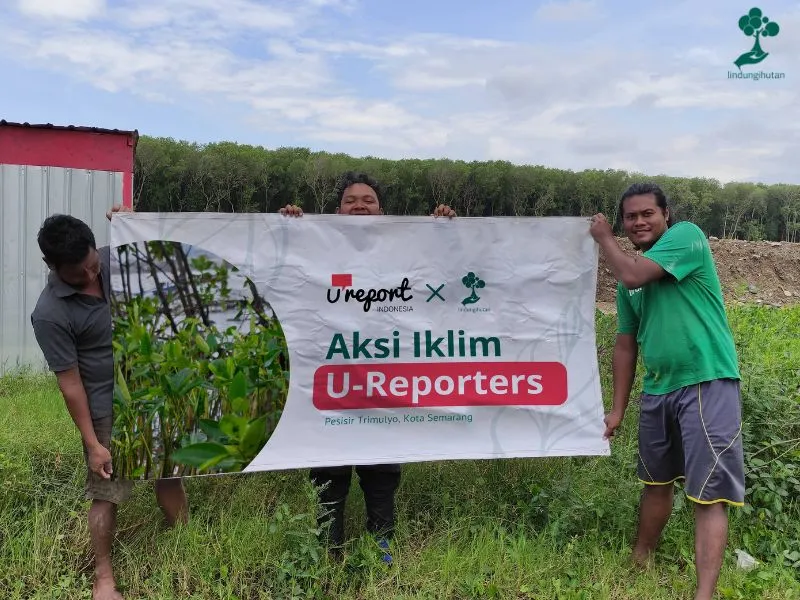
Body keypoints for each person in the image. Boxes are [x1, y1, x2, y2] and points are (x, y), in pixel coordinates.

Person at [279, 171, 456, 563]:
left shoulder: (403, 250)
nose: (359, 205)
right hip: (330, 377)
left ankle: (382, 544)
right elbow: (284, 273)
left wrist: (441, 229)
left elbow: (438, 271)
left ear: (382, 208)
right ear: (337, 209)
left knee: (382, 467)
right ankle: (329, 548)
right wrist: (288, 228)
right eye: (350, 200)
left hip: (384, 377)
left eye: (368, 200)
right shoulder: (316, 249)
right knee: (330, 469)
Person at [589, 183, 744, 600]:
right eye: (630, 217)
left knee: (709, 492)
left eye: (647, 214)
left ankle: (703, 594)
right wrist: (618, 409)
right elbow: (626, 343)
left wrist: (603, 238)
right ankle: (640, 561)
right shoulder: (630, 279)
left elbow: (633, 271)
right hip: (658, 390)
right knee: (655, 481)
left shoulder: (686, 237)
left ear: (666, 215)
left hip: (706, 382)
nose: (639, 222)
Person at [31, 207, 189, 600]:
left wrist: (139, 223)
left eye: (91, 265)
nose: (89, 277)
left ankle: (185, 547)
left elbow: (176, 258)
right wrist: (92, 444)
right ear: (52, 265)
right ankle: (104, 580)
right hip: (107, 408)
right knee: (107, 493)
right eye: (77, 273)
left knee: (170, 474)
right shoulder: (50, 313)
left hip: (154, 395)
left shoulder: (118, 260)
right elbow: (70, 384)